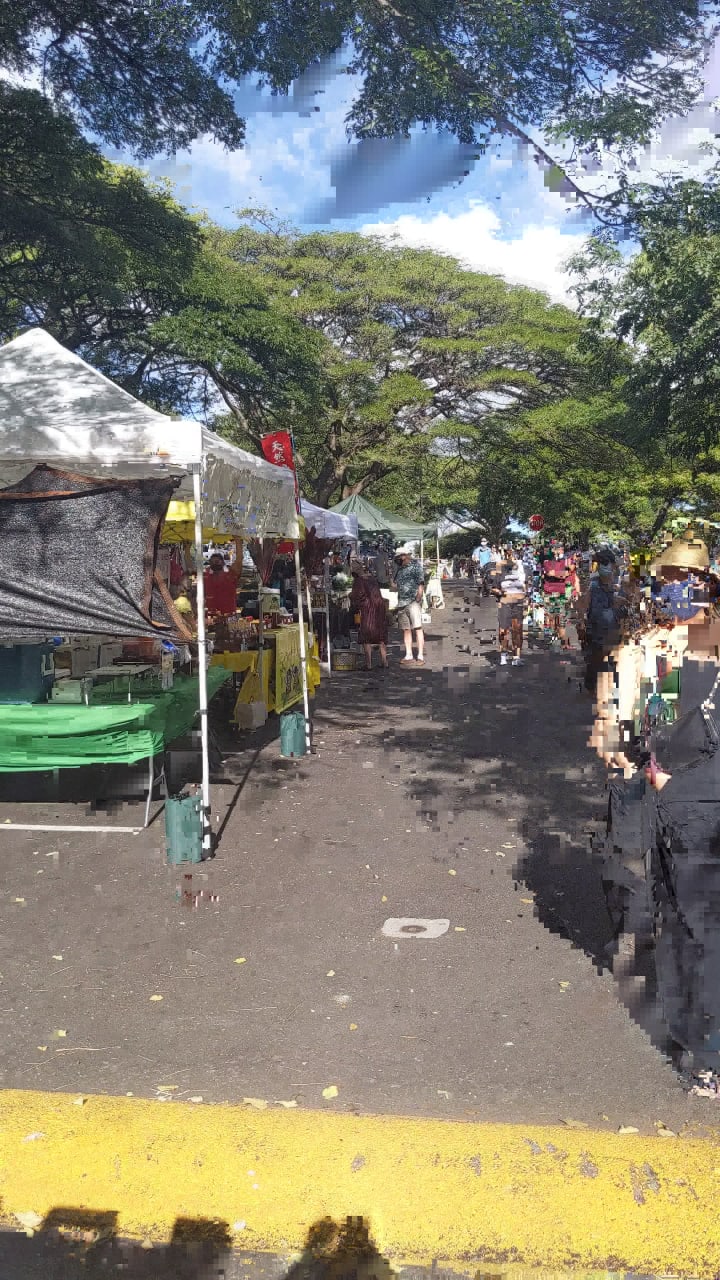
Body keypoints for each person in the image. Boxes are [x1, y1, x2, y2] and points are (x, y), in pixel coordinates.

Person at [349, 559, 389, 670]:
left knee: (366, 634)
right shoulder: (372, 579)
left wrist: (351, 596)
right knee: (380, 634)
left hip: (367, 609)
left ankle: (369, 664)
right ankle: (385, 662)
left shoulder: (359, 581)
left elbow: (357, 595)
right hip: (379, 607)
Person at [392, 548, 426, 666]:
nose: (397, 559)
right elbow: (395, 585)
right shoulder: (399, 569)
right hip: (402, 602)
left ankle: (420, 655)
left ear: (405, 555)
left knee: (417, 627)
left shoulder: (416, 566)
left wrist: (418, 597)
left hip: (413, 602)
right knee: (406, 629)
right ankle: (409, 654)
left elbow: (421, 583)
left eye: (399, 557)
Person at [491, 556, 526, 665]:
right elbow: (493, 588)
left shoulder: (522, 574)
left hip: (518, 604)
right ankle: (503, 655)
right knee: (503, 631)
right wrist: (500, 593)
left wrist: (527, 600)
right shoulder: (500, 575)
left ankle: (516, 657)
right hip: (505, 604)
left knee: (517, 630)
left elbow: (527, 587)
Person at [203, 537, 243, 617]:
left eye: (217, 561)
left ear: (223, 562)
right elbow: (189, 571)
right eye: (212, 562)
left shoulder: (230, 573)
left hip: (229, 615)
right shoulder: (205, 575)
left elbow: (239, 559)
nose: (215, 563)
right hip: (210, 616)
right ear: (210, 563)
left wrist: (238, 540)